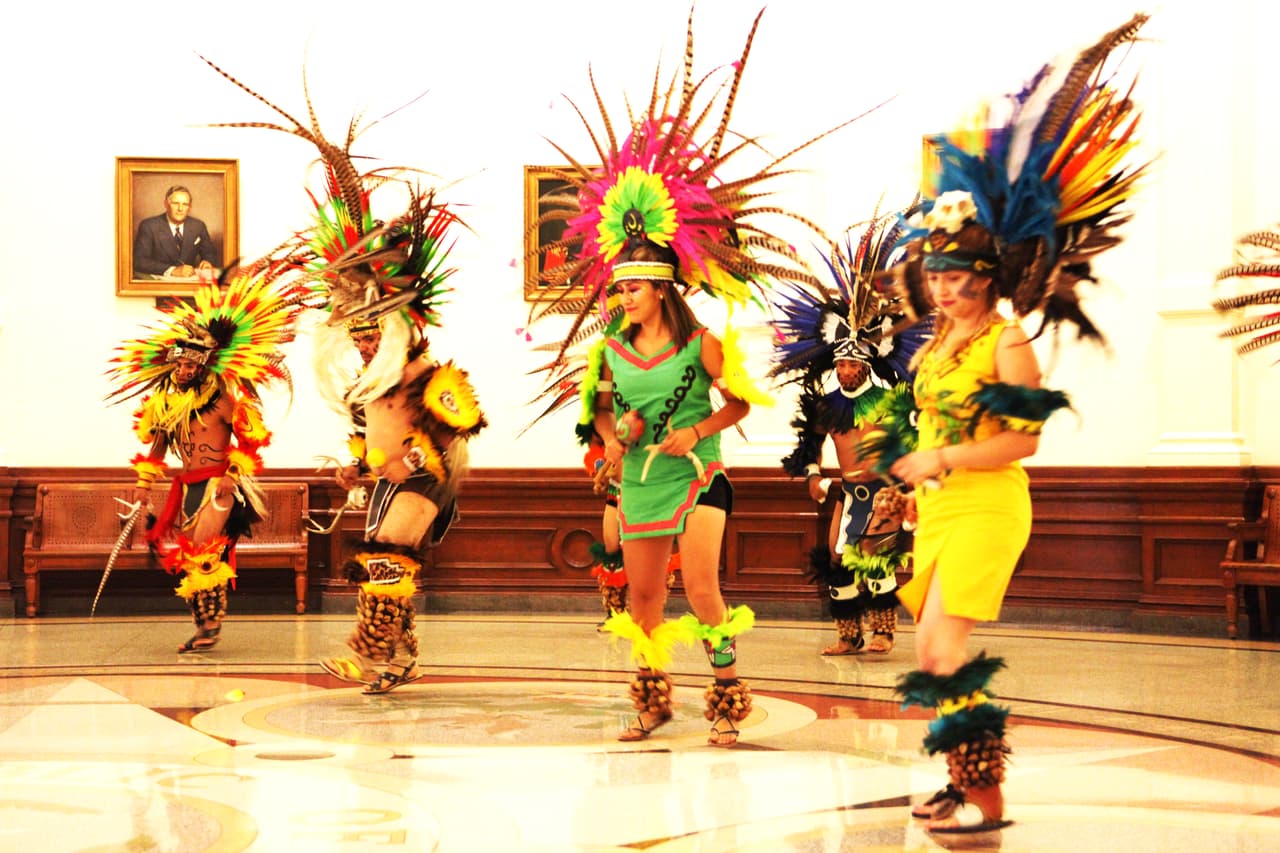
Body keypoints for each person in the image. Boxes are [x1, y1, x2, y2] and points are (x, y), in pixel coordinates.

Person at [882, 13, 1149, 834]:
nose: (944, 285)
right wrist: (911, 468)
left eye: (958, 273)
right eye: (935, 272)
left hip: (988, 507)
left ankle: (986, 797)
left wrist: (943, 459)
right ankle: (965, 781)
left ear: (986, 275)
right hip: (941, 509)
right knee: (934, 655)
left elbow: (1024, 440)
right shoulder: (937, 341)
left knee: (940, 652)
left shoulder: (1007, 341)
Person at [594, 240, 755, 746]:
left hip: (698, 475)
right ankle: (652, 700)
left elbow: (739, 405)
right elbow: (600, 414)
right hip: (641, 481)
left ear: (663, 289)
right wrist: (616, 437)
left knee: (701, 587)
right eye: (620, 289)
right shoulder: (611, 350)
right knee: (642, 597)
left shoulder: (703, 344)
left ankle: (727, 696)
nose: (625, 298)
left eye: (634, 288)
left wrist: (698, 431)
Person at [107, 271, 302, 652]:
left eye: (190, 367)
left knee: (205, 552)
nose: (183, 372)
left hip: (217, 485)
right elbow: (158, 450)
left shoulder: (223, 401)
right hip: (187, 486)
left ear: (203, 367)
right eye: (179, 366)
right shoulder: (166, 405)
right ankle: (203, 626)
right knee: (191, 558)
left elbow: (249, 441)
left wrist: (232, 474)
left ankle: (210, 627)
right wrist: (144, 487)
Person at [133, 185, 219, 279]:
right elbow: (139, 261)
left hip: (189, 283)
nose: (180, 209)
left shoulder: (198, 226)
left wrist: (208, 262)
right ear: (166, 204)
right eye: (175, 203)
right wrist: (172, 270)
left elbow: (210, 254)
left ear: (189, 207)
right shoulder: (149, 226)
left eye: (185, 204)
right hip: (159, 284)